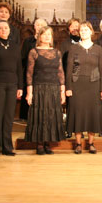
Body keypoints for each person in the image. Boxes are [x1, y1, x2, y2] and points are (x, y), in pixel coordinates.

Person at [65, 21, 102, 154]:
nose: (83, 32)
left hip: (94, 84)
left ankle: (91, 143)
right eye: (81, 30)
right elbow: (69, 69)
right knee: (78, 113)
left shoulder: (98, 49)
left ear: (91, 32)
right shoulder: (74, 48)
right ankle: (78, 143)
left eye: (86, 30)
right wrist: (68, 87)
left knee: (92, 113)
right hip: (77, 85)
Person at [25, 26, 66, 155]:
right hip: (39, 87)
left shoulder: (57, 52)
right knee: (40, 115)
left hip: (54, 87)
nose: (47, 36)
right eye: (44, 34)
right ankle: (40, 144)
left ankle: (48, 142)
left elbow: (61, 73)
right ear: (39, 37)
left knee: (51, 115)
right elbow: (29, 74)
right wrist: (29, 93)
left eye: (49, 34)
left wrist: (62, 91)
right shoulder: (34, 52)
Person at [0, 20, 23, 157]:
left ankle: (7, 146)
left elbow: (19, 67)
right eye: (0, 28)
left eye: (5, 28)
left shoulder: (14, 46)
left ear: (9, 30)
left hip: (12, 84)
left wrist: (20, 86)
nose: (3, 30)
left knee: (8, 117)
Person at [19, 18, 47, 120]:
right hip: (29, 74)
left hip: (42, 76)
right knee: (28, 101)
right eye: (37, 25)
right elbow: (23, 58)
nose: (39, 27)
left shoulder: (47, 42)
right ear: (34, 27)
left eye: (42, 25)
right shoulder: (28, 41)